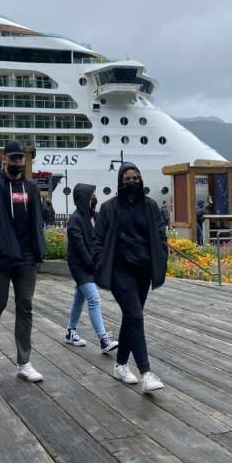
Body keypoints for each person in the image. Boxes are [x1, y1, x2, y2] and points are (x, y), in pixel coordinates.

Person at [0, 140, 46, 382]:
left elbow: (37, 220)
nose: (17, 162)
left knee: (25, 306)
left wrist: (38, 250)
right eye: (13, 158)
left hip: (26, 258)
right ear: (4, 159)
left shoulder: (32, 188)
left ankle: (24, 362)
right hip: (1, 258)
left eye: (20, 158)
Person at [93, 163, 167, 393]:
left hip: (143, 269)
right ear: (120, 182)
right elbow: (98, 240)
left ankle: (121, 365)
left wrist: (162, 254)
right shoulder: (109, 208)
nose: (132, 181)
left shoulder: (151, 207)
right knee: (135, 315)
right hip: (119, 269)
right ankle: (146, 373)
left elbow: (160, 234)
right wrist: (100, 262)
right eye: (128, 178)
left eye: (136, 177)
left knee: (131, 316)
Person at [64, 183, 118, 353]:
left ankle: (71, 332)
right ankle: (103, 339)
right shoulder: (75, 221)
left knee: (80, 298)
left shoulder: (95, 216)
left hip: (92, 263)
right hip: (79, 265)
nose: (94, 198)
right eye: (92, 195)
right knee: (93, 298)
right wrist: (95, 265)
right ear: (83, 199)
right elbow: (79, 247)